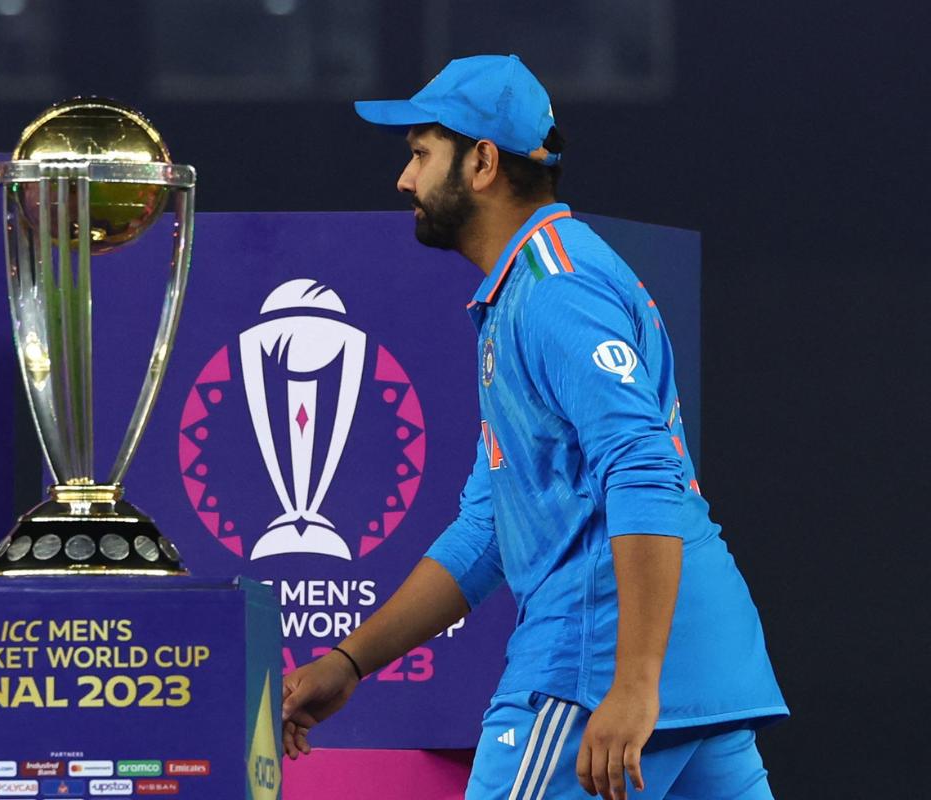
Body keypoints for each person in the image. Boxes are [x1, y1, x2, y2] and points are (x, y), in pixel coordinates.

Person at [280, 55, 787, 800]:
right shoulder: (526, 290)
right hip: (699, 667)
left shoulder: (556, 289)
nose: (406, 181)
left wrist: (632, 685)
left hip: (597, 673)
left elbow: (645, 470)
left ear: (481, 162)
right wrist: (349, 662)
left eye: (421, 154)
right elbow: (485, 531)